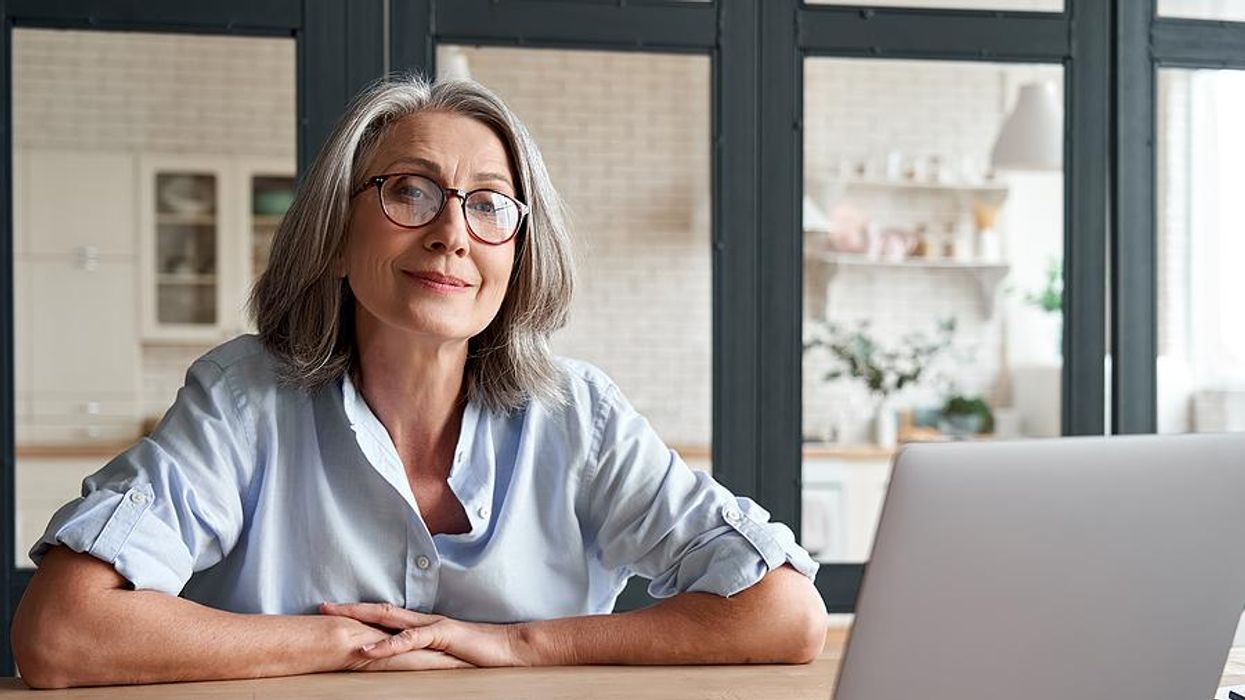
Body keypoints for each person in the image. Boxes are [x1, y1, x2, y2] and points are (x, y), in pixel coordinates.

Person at [11, 76, 826, 688]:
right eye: (410, 191)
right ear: (337, 235)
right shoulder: (242, 397)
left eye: (490, 205)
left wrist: (514, 645)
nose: (451, 233)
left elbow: (783, 614)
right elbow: (61, 633)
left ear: (519, 255)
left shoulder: (579, 415)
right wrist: (346, 643)